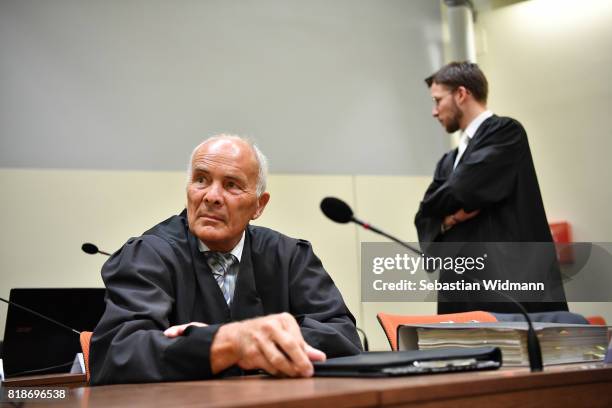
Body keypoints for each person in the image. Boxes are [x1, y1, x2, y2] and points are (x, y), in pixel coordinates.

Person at [90, 135, 362, 385]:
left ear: (259, 205)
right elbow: (118, 354)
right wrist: (224, 343)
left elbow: (343, 336)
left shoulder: (289, 256)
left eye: (231, 185)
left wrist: (259, 344)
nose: (211, 197)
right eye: (201, 180)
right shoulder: (148, 255)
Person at [415, 61, 568, 314]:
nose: (434, 111)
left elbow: (464, 188)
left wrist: (441, 206)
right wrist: (451, 218)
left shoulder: (506, 132)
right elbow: (424, 214)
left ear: (461, 94)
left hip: (508, 286)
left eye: (438, 100)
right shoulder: (448, 161)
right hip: (460, 290)